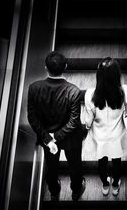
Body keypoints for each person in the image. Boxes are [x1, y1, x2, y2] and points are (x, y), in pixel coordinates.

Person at [27, 51, 86, 201]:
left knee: (51, 165)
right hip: (71, 139)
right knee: (75, 165)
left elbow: (32, 117)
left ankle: (54, 190)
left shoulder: (34, 88)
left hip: (47, 137)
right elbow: (74, 121)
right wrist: (56, 136)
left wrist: (48, 138)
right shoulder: (73, 91)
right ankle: (76, 190)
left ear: (45, 67)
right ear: (65, 66)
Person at [84, 57, 127, 196]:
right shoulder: (123, 91)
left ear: (98, 76)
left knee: (101, 162)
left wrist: (87, 126)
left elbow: (89, 119)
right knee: (117, 162)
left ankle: (105, 184)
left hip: (100, 136)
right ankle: (115, 185)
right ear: (116, 75)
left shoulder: (90, 94)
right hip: (117, 135)